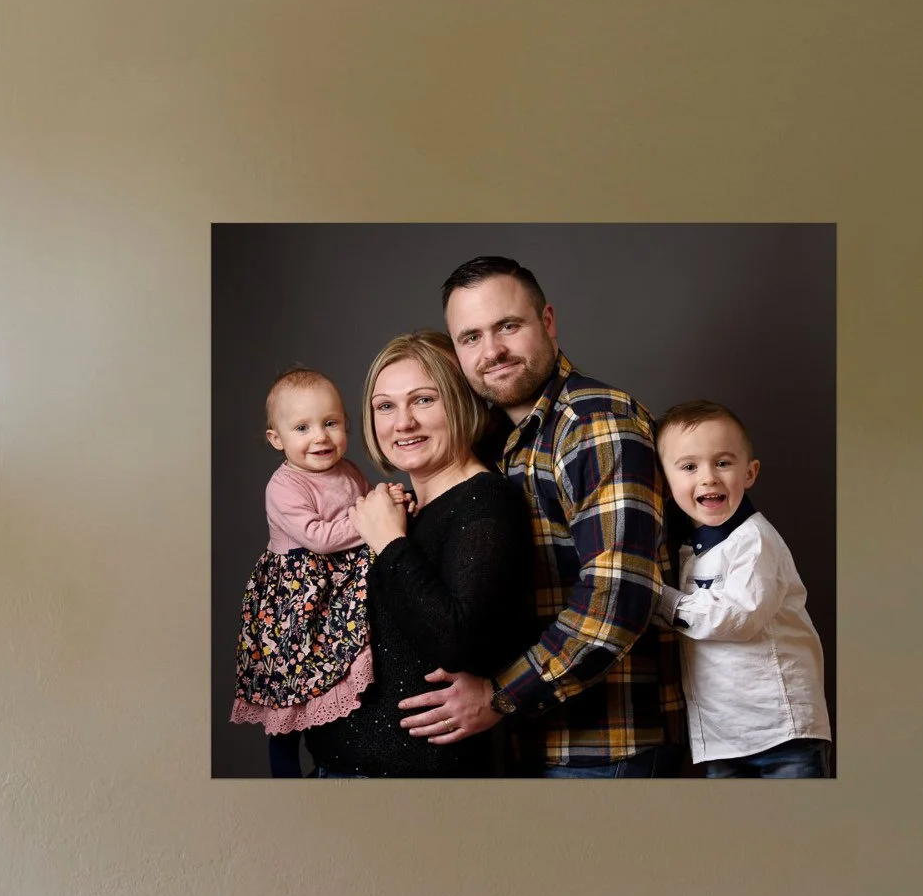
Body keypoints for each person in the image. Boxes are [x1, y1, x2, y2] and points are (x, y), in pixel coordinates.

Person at [399, 256, 681, 777]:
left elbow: (617, 598)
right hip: (526, 743)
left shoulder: (594, 422)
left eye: (508, 326)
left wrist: (500, 695)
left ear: (547, 322)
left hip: (605, 747)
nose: (492, 351)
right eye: (471, 337)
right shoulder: (491, 441)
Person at [304, 332, 535, 778]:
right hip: (338, 773)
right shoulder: (404, 508)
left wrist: (390, 543)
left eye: (423, 400)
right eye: (385, 406)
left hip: (414, 784)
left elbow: (456, 642)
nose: (403, 423)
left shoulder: (485, 501)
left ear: (462, 403)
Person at [652, 400, 833, 777]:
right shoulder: (684, 548)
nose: (709, 478)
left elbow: (738, 615)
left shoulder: (754, 540)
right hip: (721, 736)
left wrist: (660, 600)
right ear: (666, 483)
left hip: (780, 730)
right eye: (689, 467)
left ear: (749, 473)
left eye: (723, 462)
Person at [230, 368, 374, 777]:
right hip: (294, 601)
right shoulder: (284, 486)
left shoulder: (348, 471)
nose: (320, 437)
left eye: (330, 423)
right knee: (290, 696)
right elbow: (320, 538)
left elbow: (368, 507)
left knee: (342, 677)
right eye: (302, 428)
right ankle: (286, 786)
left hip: (339, 590)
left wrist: (387, 501)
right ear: (277, 439)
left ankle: (344, 758)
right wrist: (372, 520)